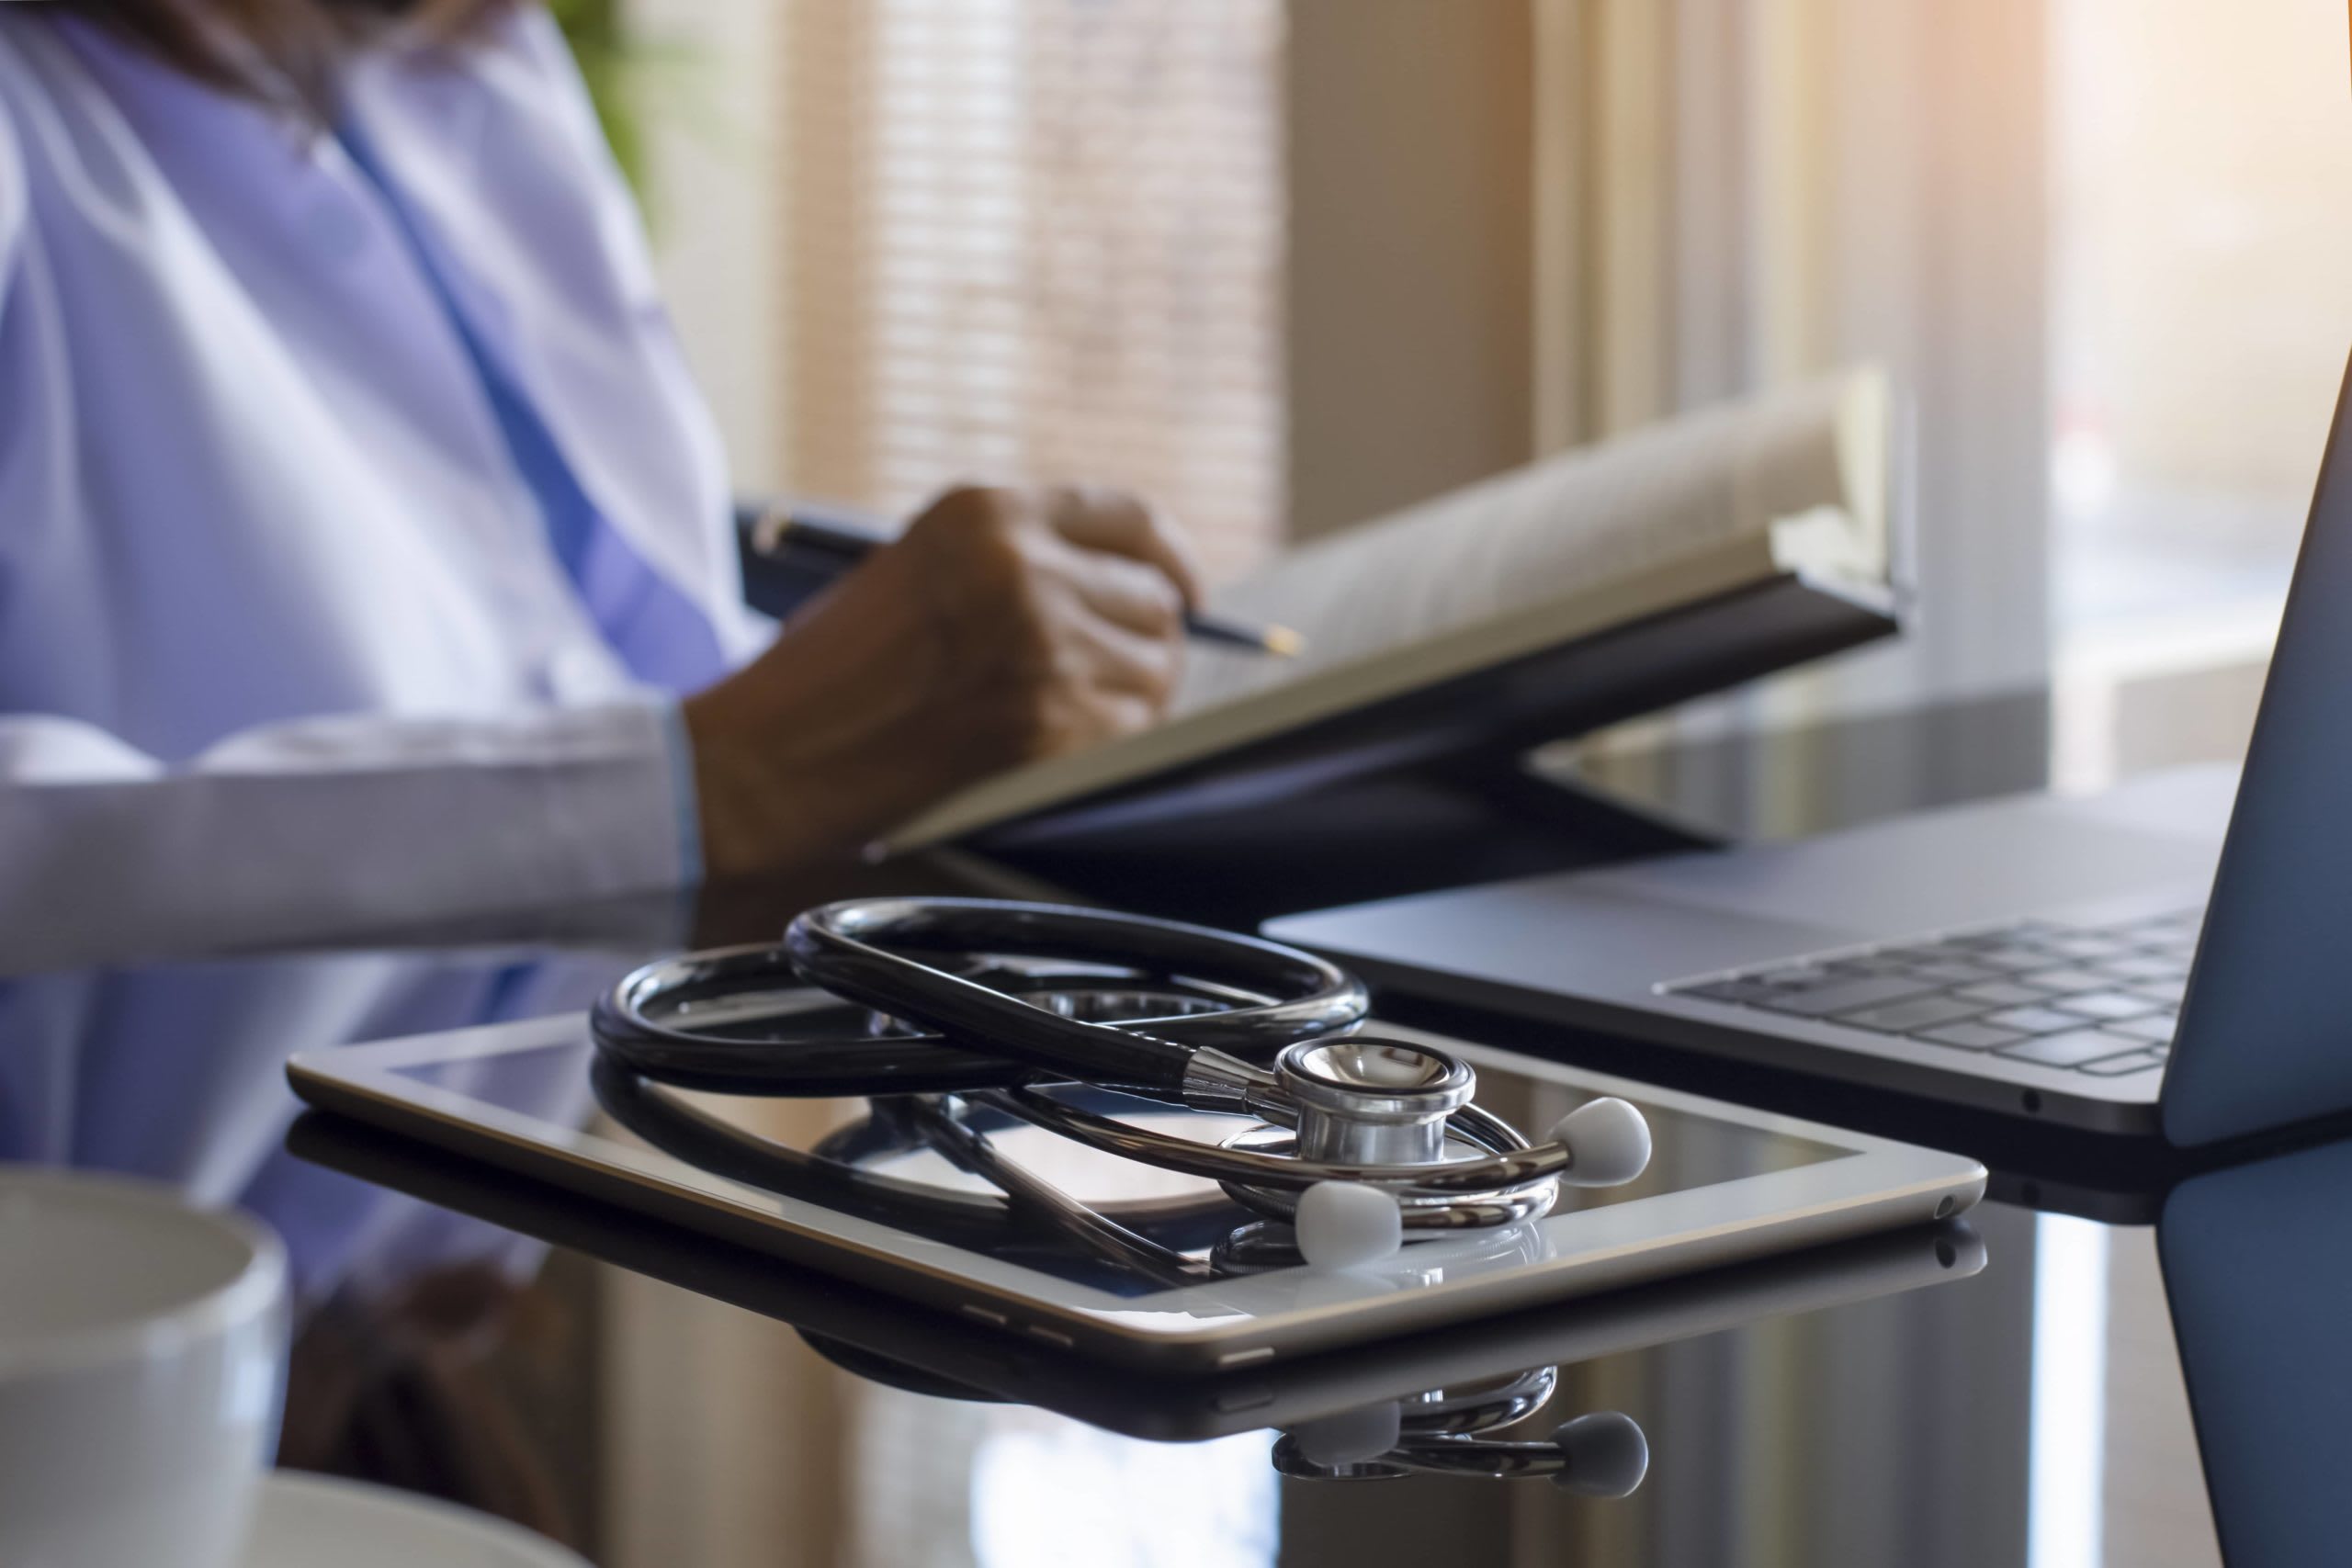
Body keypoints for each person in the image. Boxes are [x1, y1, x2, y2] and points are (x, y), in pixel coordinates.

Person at [0, 0, 1202, 952]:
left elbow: (593, 661)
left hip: (468, 1210)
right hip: (134, 1250)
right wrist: (716, 779)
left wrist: (895, 702)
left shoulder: (473, 68)